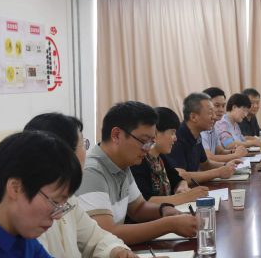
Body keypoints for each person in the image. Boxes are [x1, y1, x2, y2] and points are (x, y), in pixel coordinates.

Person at [25, 113, 169, 258]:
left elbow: (97, 236)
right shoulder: (29, 210)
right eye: (83, 144)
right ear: (61, 153)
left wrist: (117, 251)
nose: (87, 150)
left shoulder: (68, 197)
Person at [75, 101, 199, 245]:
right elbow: (107, 234)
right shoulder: (91, 172)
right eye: (144, 141)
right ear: (116, 135)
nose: (148, 149)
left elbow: (138, 208)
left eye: (151, 142)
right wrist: (170, 224)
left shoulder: (123, 163)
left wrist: (163, 209)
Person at [130, 107, 209, 205]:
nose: (175, 138)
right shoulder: (139, 161)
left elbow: (178, 179)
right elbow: (145, 201)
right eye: (172, 133)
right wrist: (185, 197)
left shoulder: (160, 157)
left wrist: (182, 187)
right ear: (155, 133)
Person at [165, 92, 240, 185]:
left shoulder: (197, 135)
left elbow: (205, 164)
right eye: (210, 113)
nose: (214, 117)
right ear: (193, 117)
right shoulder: (177, 137)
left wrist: (227, 166)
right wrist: (218, 172)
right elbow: (180, 176)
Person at [201, 87, 248, 163]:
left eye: (223, 106)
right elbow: (209, 158)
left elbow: (220, 151)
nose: (221, 110)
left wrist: (233, 152)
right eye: (217, 106)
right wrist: (235, 155)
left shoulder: (214, 127)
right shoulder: (203, 129)